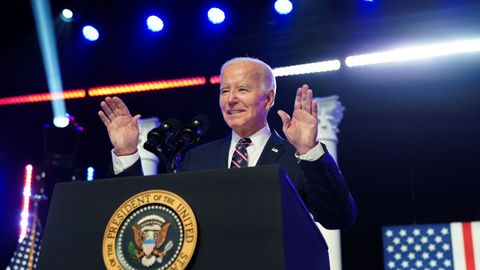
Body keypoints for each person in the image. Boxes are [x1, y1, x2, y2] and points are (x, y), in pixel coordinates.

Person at [99, 57, 357, 267]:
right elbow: (144, 216)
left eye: (242, 89)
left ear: (268, 99)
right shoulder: (196, 158)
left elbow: (339, 217)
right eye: (224, 91)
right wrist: (126, 153)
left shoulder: (297, 156)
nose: (230, 99)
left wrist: (309, 150)